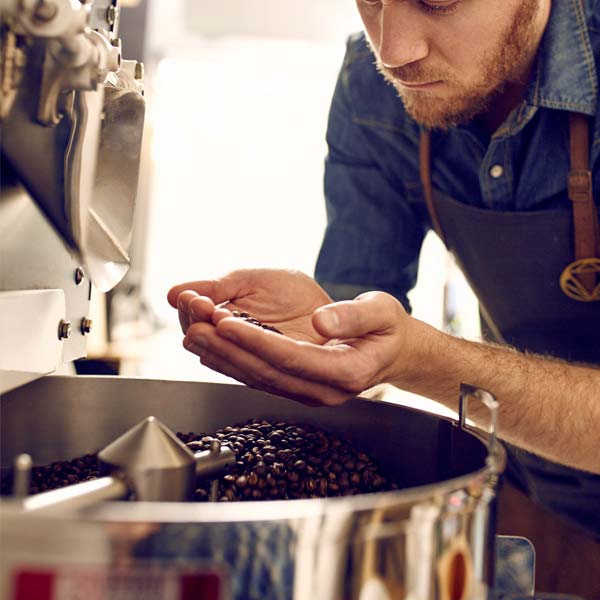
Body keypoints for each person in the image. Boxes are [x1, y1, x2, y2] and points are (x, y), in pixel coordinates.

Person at [169, 0, 600, 594]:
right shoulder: (372, 87)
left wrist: (424, 361)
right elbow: (351, 317)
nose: (393, 51)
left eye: (438, 0)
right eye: (370, 0)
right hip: (529, 503)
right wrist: (324, 328)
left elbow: (412, 358)